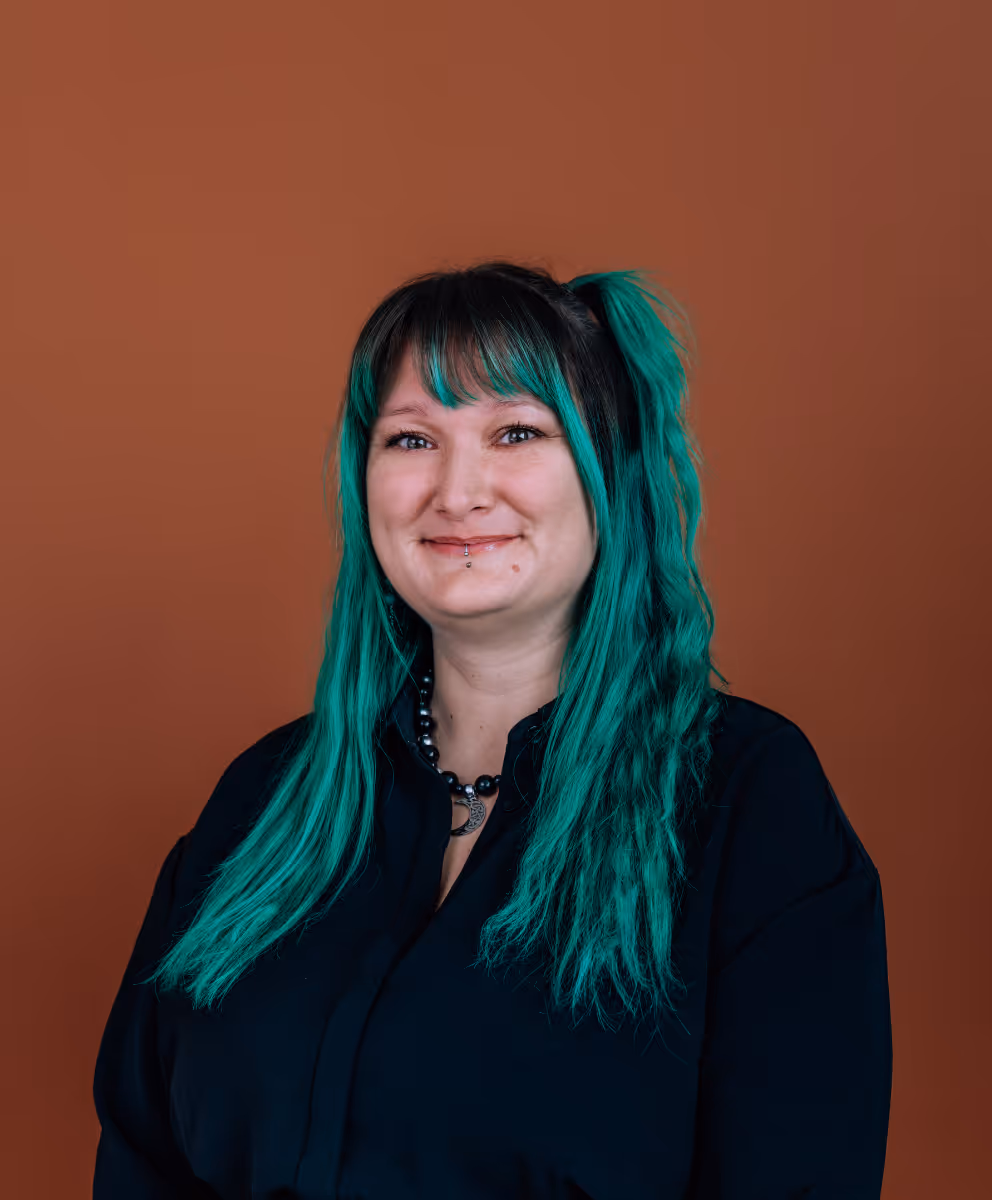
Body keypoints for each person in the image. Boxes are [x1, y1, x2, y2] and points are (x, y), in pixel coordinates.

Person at [92, 261, 892, 1199]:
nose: (457, 491)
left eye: (515, 431)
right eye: (411, 439)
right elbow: (140, 1158)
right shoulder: (259, 802)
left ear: (609, 470)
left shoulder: (750, 803)